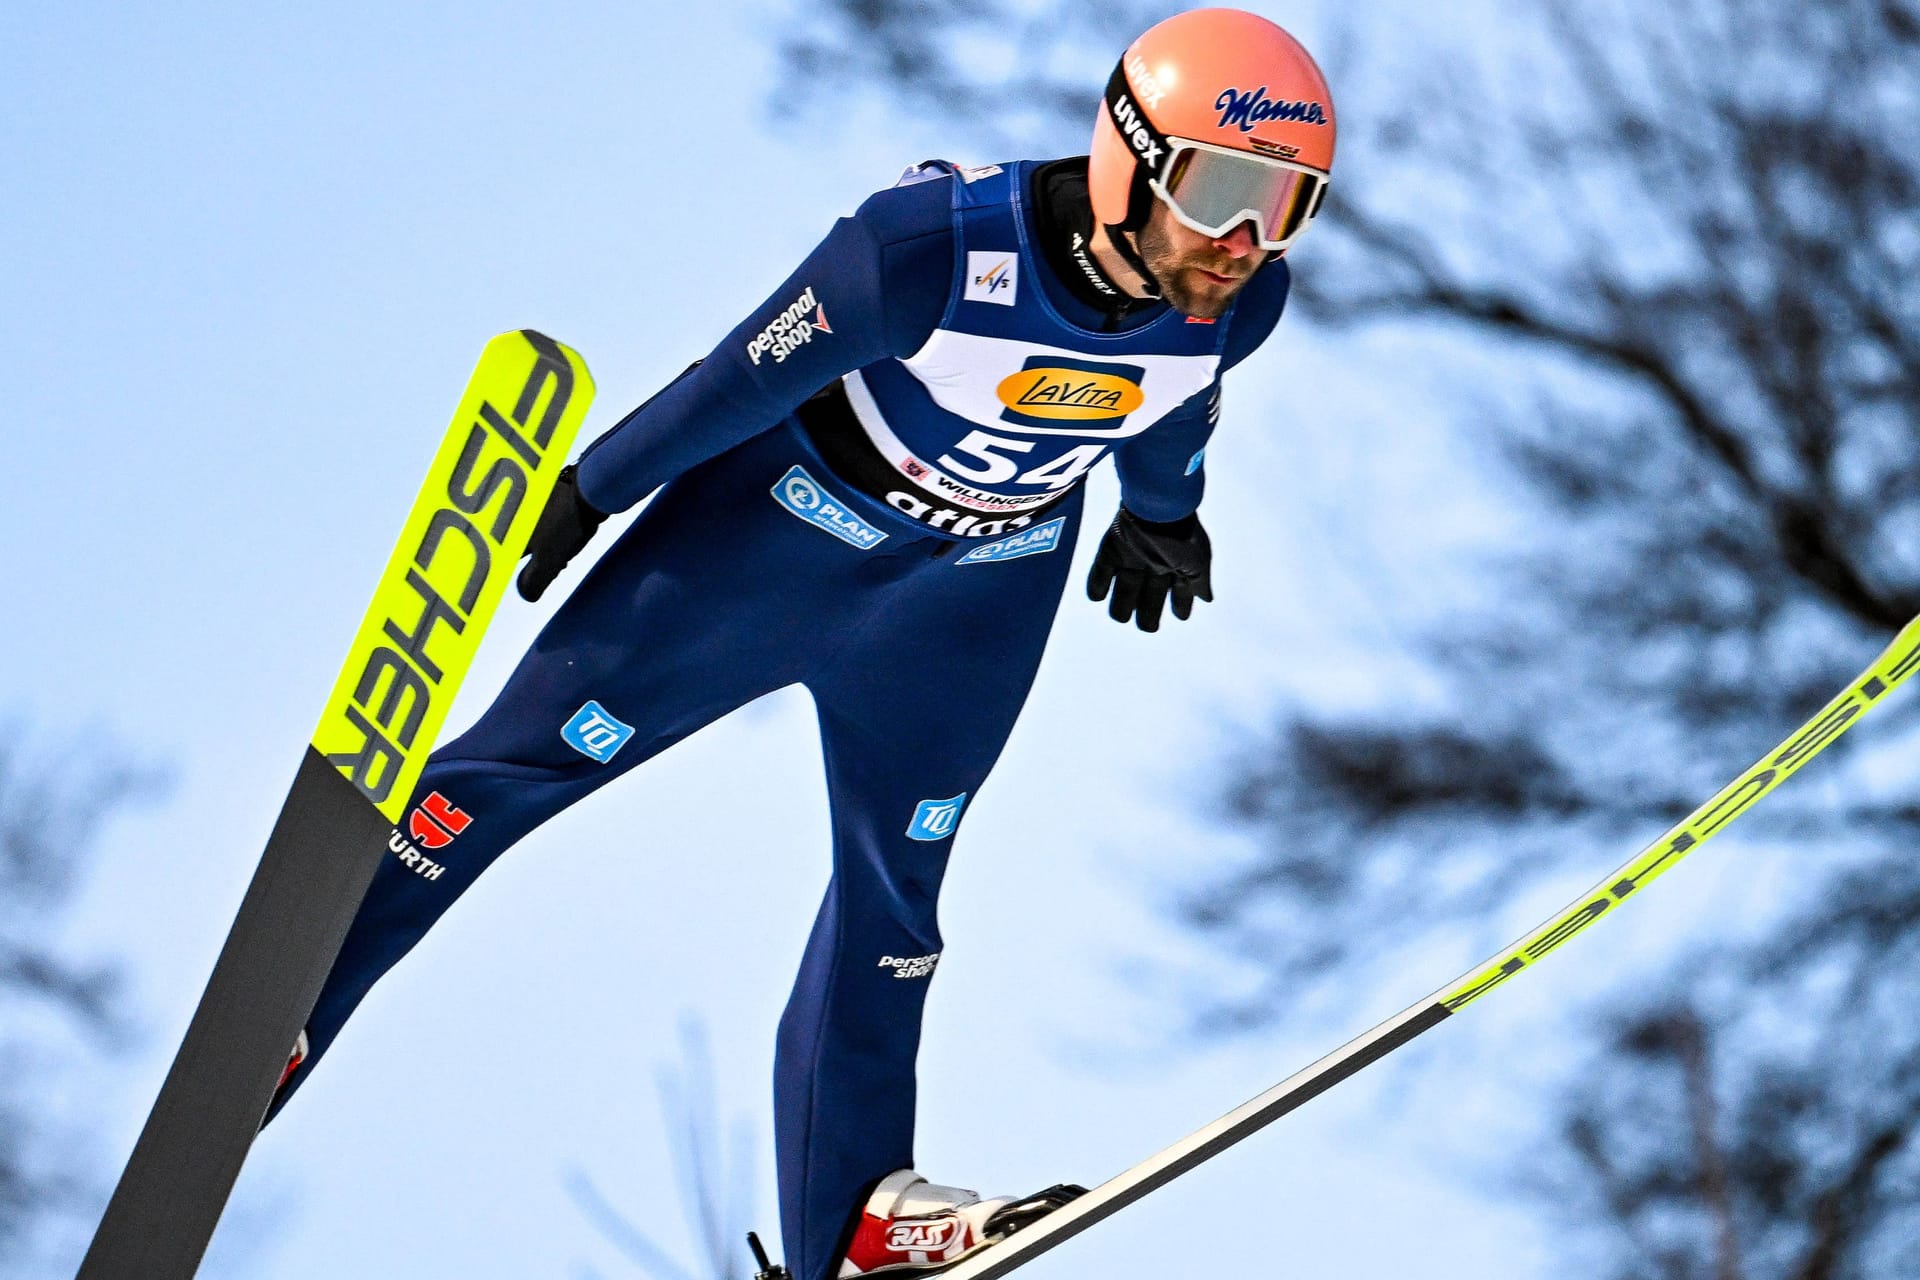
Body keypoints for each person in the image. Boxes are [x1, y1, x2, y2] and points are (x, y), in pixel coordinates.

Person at [266, 8, 1336, 1278]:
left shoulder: (1237, 300)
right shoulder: (927, 251)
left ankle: (858, 1216)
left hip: (973, 591)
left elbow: (1173, 400)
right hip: (778, 540)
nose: (1245, 242)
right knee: (517, 769)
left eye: (1287, 206)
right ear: (1127, 154)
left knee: (902, 889)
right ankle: (287, 1006)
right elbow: (744, 375)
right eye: (1223, 191)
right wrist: (596, 486)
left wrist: (1168, 516)